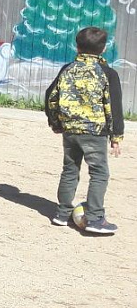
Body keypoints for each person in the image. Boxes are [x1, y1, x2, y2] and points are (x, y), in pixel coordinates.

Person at [46, 26, 123, 235]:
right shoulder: (108, 73)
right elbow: (114, 106)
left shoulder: (67, 69)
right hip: (95, 132)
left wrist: (56, 123)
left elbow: (50, 96)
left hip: (70, 131)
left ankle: (62, 214)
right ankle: (95, 217)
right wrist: (116, 136)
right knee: (99, 172)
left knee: (70, 169)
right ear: (104, 48)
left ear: (77, 47)